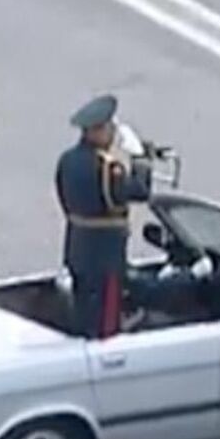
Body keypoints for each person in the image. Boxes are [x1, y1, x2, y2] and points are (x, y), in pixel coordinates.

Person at [54, 94, 150, 338]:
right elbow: (141, 191)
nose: (111, 136)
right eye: (108, 129)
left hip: (77, 250)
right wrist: (140, 159)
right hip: (105, 258)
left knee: (83, 315)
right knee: (105, 326)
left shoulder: (67, 160)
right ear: (96, 131)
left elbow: (66, 202)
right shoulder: (108, 167)